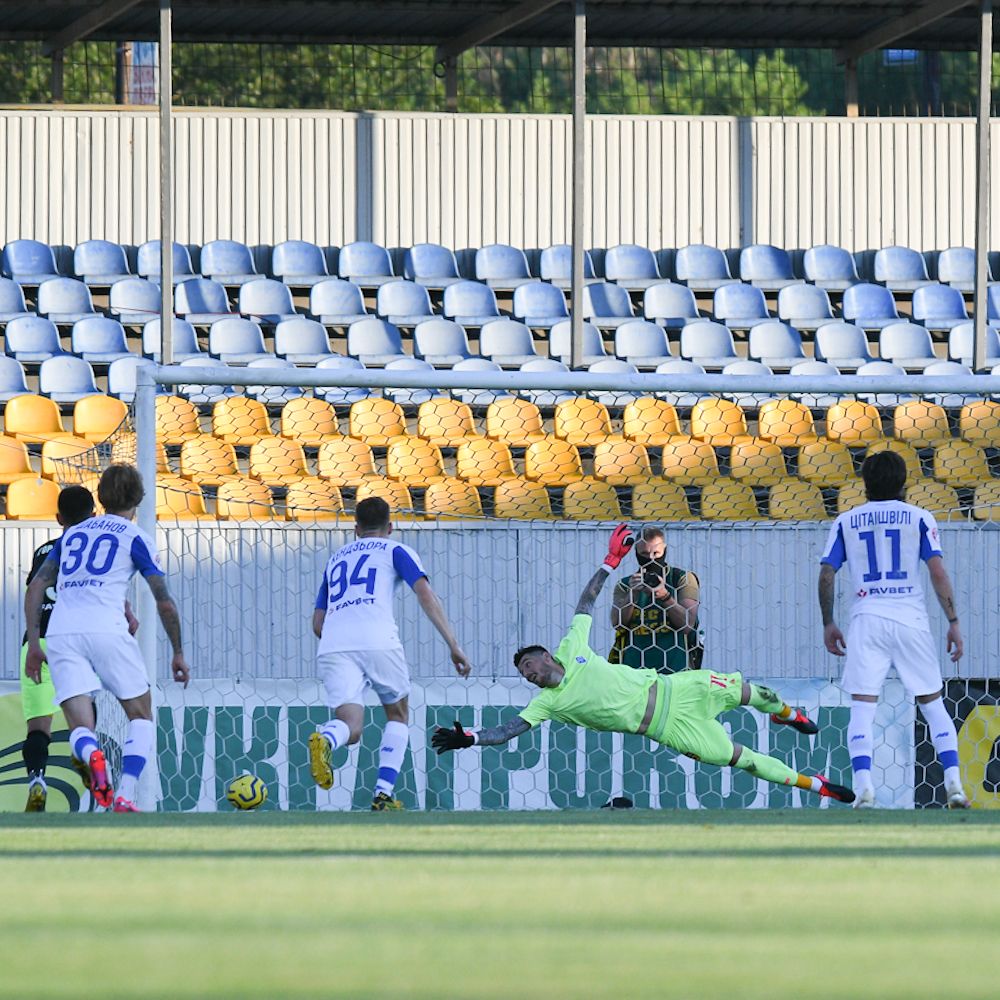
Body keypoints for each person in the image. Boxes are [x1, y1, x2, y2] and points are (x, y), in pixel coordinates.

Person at [433, 524, 854, 806]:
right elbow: (508, 731)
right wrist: (471, 737)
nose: (528, 673)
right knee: (742, 759)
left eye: (529, 663)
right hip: (668, 727)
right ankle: (816, 785)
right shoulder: (547, 704)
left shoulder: (572, 644)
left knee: (750, 692)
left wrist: (609, 562)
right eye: (523, 673)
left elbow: (586, 602)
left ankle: (788, 715)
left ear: (547, 656)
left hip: (677, 687)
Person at [24, 464, 190, 813]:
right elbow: (163, 600)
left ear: (100, 497)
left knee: (81, 728)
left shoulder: (72, 536)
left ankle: (93, 756)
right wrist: (177, 651)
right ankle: (125, 794)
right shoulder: (135, 538)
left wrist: (35, 645)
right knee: (141, 715)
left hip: (62, 635)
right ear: (139, 500)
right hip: (107, 630)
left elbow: (37, 585)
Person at [819, 450, 970, 810]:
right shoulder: (919, 518)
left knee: (863, 707)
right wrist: (953, 622)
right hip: (910, 619)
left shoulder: (846, 521)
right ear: (904, 483)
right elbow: (936, 572)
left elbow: (827, 574)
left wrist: (828, 622)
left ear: (865, 483)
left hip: (867, 618)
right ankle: (954, 785)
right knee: (933, 703)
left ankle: (864, 788)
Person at [308, 496, 472, 810]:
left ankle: (327, 739)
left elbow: (318, 622)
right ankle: (382, 795)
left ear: (355, 528)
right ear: (391, 527)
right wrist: (453, 644)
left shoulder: (336, 559)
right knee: (397, 714)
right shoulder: (396, 550)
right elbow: (425, 593)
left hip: (333, 644)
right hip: (378, 639)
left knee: (351, 727)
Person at [19, 485, 140, 812]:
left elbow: (36, 589)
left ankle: (37, 782)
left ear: (58, 518)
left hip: (39, 640)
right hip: (75, 639)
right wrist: (126, 612)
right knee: (84, 721)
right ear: (96, 514)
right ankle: (92, 772)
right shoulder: (98, 549)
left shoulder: (45, 550)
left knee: (39, 725)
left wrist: (32, 643)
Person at [609, 524, 702, 674]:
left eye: (656, 553)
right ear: (636, 553)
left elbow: (688, 625)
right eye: (644, 554)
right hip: (634, 671)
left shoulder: (682, 579)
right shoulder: (625, 585)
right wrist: (633, 594)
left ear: (665, 550)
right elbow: (617, 623)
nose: (651, 559)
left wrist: (665, 596)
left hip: (675, 669)